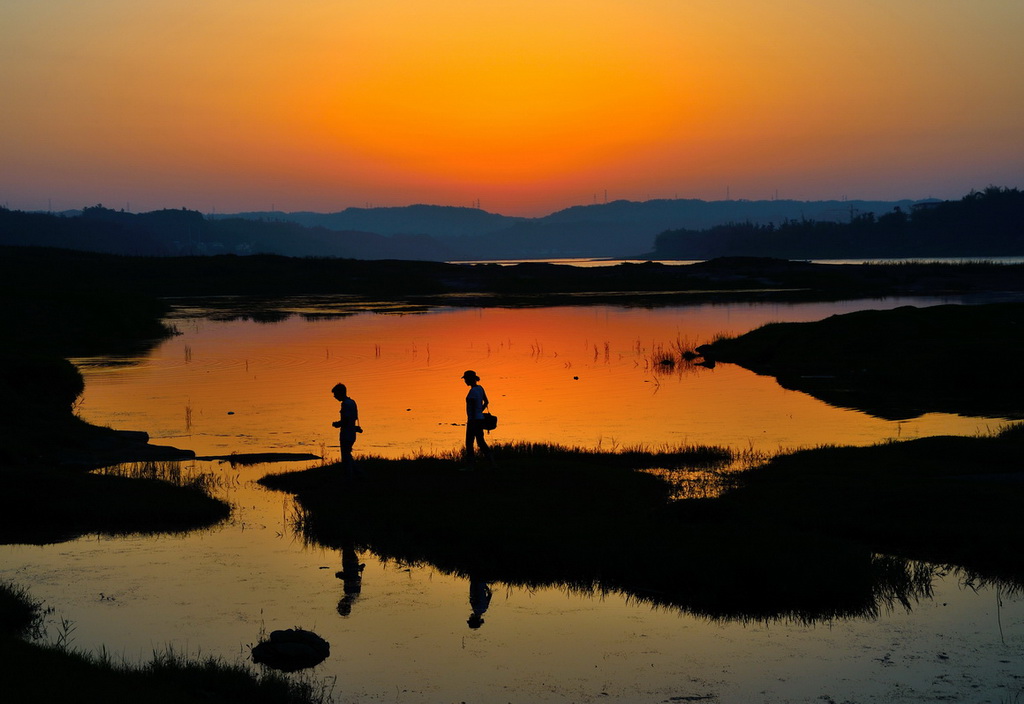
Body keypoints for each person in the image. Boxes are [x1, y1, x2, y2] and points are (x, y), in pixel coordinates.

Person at [462, 370, 494, 468]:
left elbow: (471, 409)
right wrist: (480, 411)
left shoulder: (472, 392)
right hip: (480, 419)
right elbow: (486, 401)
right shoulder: (480, 388)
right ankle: (493, 464)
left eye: (466, 379)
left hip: (473, 421)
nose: (465, 381)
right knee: (481, 442)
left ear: (470, 379)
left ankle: (470, 466)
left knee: (469, 443)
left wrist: (472, 420)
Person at [331, 383, 361, 478]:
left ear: (340, 393)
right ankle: (357, 474)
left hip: (346, 434)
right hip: (352, 433)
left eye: (335, 394)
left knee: (346, 457)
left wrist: (337, 424)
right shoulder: (352, 402)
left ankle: (350, 477)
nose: (334, 396)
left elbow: (346, 420)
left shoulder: (345, 404)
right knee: (348, 455)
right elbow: (354, 418)